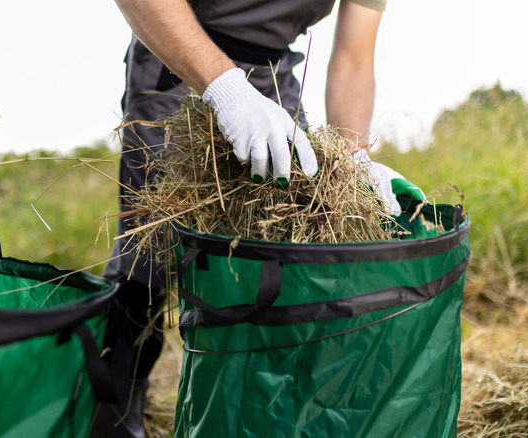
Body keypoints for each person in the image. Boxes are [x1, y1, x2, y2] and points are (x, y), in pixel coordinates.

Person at [95, 1, 402, 436]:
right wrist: (226, 91)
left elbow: (354, 56)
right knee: (155, 248)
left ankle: (254, 409)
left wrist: (353, 157)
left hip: (274, 80)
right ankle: (113, 406)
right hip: (181, 60)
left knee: (284, 240)